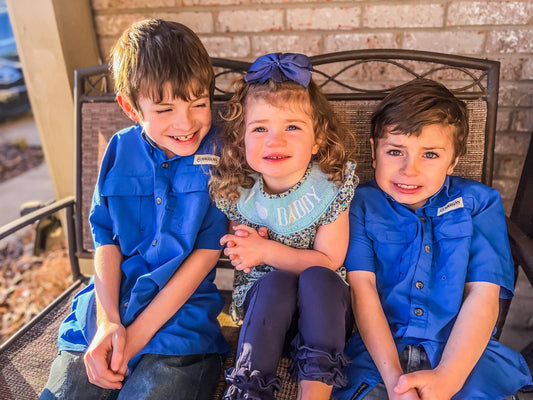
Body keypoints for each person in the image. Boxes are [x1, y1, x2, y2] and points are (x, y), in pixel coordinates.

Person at [40, 19, 230, 400]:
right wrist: (109, 321)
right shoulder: (119, 149)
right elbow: (105, 236)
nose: (186, 123)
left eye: (199, 103)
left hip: (180, 327)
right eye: (164, 109)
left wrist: (138, 334)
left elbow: (208, 251)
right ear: (130, 107)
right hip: (108, 307)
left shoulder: (220, 152)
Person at [334, 78, 533, 400]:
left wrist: (449, 378)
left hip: (463, 352)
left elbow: (483, 294)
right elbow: (363, 289)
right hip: (379, 354)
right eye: (395, 151)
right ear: (374, 151)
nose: (408, 170)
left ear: (453, 160)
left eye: (430, 155)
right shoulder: (357, 204)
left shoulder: (480, 203)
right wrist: (398, 382)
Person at [209, 52, 358, 400]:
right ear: (240, 140)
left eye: (292, 127)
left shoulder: (331, 186)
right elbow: (242, 255)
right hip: (266, 319)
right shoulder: (239, 194)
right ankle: (249, 388)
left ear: (318, 139)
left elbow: (328, 260)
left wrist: (264, 250)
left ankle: (315, 392)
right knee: (274, 281)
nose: (275, 141)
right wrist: (246, 251)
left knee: (319, 278)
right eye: (260, 128)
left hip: (324, 320)